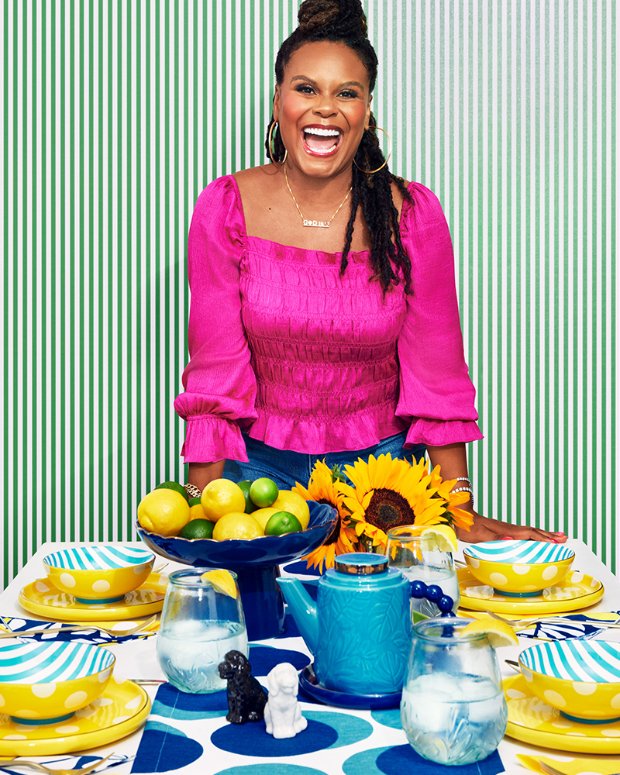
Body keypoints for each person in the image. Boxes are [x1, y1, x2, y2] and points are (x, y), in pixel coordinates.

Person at [174, 0, 566, 546]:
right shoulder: (224, 207)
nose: (325, 109)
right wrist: (196, 516)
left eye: (347, 93)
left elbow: (439, 376)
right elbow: (214, 379)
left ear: (367, 111)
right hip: (258, 490)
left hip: (388, 489)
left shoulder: (412, 215)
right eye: (306, 89)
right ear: (278, 101)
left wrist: (459, 512)